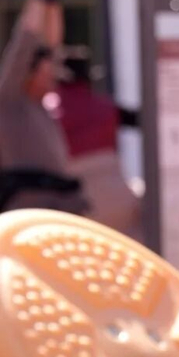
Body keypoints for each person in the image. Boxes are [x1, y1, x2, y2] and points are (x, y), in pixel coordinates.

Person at [0, 0, 89, 215]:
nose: (54, 73)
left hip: (62, 210)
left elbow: (51, 44)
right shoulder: (10, 101)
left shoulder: (41, 104)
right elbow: (24, 41)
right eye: (46, 68)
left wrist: (53, 2)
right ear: (28, 72)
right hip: (29, 217)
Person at [55, 48, 143, 238]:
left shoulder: (47, 112)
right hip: (119, 197)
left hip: (77, 204)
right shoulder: (107, 107)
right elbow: (143, 121)